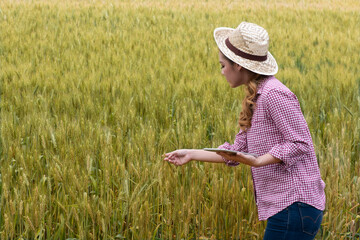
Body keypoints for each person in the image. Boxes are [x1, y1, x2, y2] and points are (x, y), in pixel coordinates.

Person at [163, 21, 326, 239]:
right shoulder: (255, 96)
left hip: (294, 204)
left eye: (223, 65)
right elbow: (238, 150)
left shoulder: (273, 94)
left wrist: (258, 161)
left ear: (238, 66)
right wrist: (191, 154)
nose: (222, 72)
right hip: (288, 207)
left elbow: (301, 143)